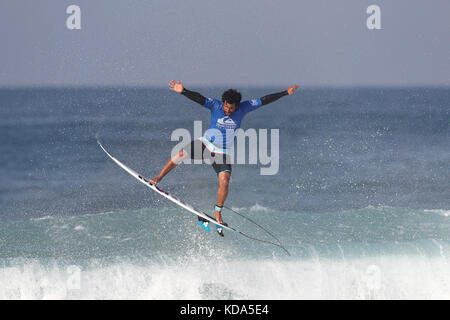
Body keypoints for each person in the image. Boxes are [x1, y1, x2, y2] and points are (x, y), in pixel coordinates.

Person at [150, 80, 299, 236]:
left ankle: (217, 213)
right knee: (181, 154)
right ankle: (157, 178)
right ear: (223, 103)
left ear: (237, 106)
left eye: (231, 108)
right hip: (206, 144)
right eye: (226, 107)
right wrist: (183, 91)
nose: (228, 110)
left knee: (225, 181)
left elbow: (264, 100)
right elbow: (199, 98)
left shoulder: (245, 107)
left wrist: (285, 93)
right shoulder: (215, 105)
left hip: (222, 152)